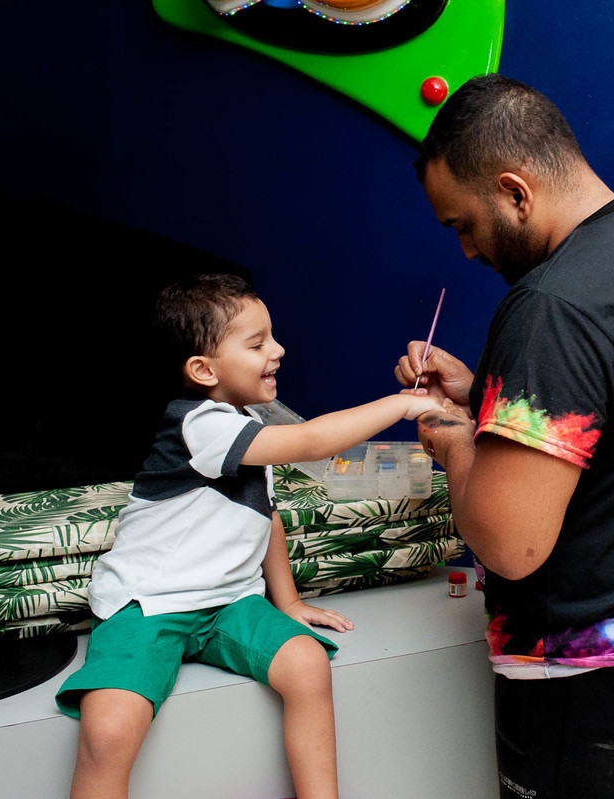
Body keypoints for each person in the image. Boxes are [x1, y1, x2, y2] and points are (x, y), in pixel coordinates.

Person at [395, 74, 614, 798]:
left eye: (463, 224)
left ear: (515, 193)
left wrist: (456, 441)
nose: (466, 250)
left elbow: (510, 543)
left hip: (594, 678)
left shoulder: (552, 306)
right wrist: (487, 396)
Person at [57, 273, 443, 799]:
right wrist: (400, 405)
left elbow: (266, 517)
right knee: (108, 728)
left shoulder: (248, 421)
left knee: (307, 663)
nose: (277, 350)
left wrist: (288, 601)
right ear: (203, 370)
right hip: (148, 604)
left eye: (272, 337)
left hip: (229, 604)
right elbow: (311, 442)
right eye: (257, 343)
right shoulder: (200, 424)